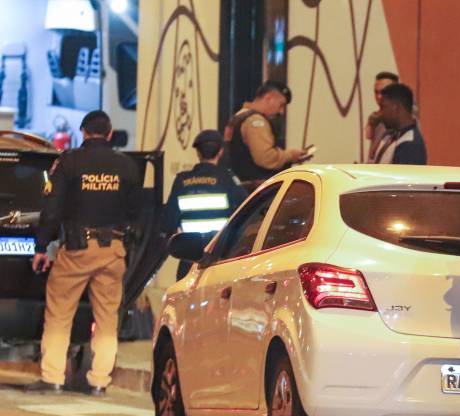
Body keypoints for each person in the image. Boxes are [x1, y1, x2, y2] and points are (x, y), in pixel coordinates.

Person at [26, 110, 142, 396]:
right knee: (106, 319)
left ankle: (52, 376)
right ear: (110, 133)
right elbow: (137, 212)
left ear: (83, 132)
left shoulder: (69, 161)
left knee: (59, 313)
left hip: (77, 249)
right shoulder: (127, 166)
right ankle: (99, 381)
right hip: (113, 250)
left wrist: (42, 247)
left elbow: (52, 210)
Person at [163, 129, 249, 280]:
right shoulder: (227, 178)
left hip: (189, 253)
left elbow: (170, 218)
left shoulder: (181, 180)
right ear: (220, 151)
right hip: (218, 252)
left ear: (198, 152)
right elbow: (246, 210)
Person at [223, 81, 307, 185]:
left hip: (240, 185)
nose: (281, 111)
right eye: (281, 105)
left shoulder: (239, 115)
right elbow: (265, 158)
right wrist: (290, 155)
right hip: (256, 188)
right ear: (268, 99)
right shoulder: (256, 121)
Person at [371, 83, 427, 165]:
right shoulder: (392, 135)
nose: (381, 113)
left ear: (396, 107)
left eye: (383, 107)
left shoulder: (410, 146)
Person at [364, 71, 400, 161]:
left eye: (384, 92)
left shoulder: (404, 120)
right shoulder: (375, 118)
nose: (379, 96)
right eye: (376, 92)